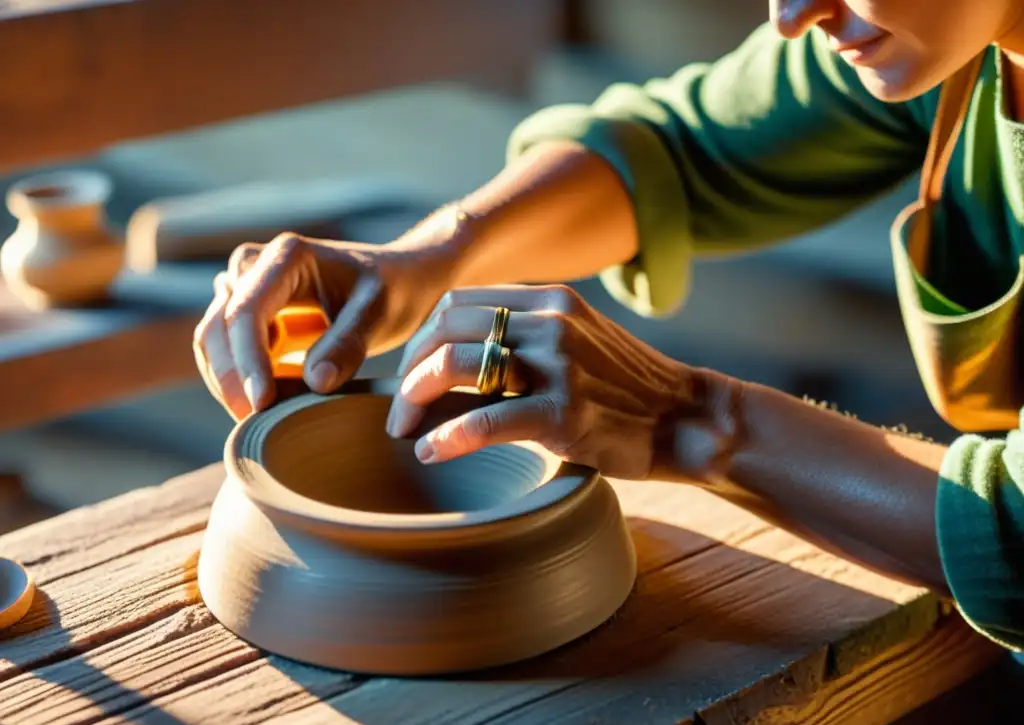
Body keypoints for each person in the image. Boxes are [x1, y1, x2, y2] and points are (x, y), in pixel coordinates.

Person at [193, 0, 1024, 654]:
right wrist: (427, 259)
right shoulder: (968, 42)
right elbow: (680, 149)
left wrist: (690, 420)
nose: (791, 14)